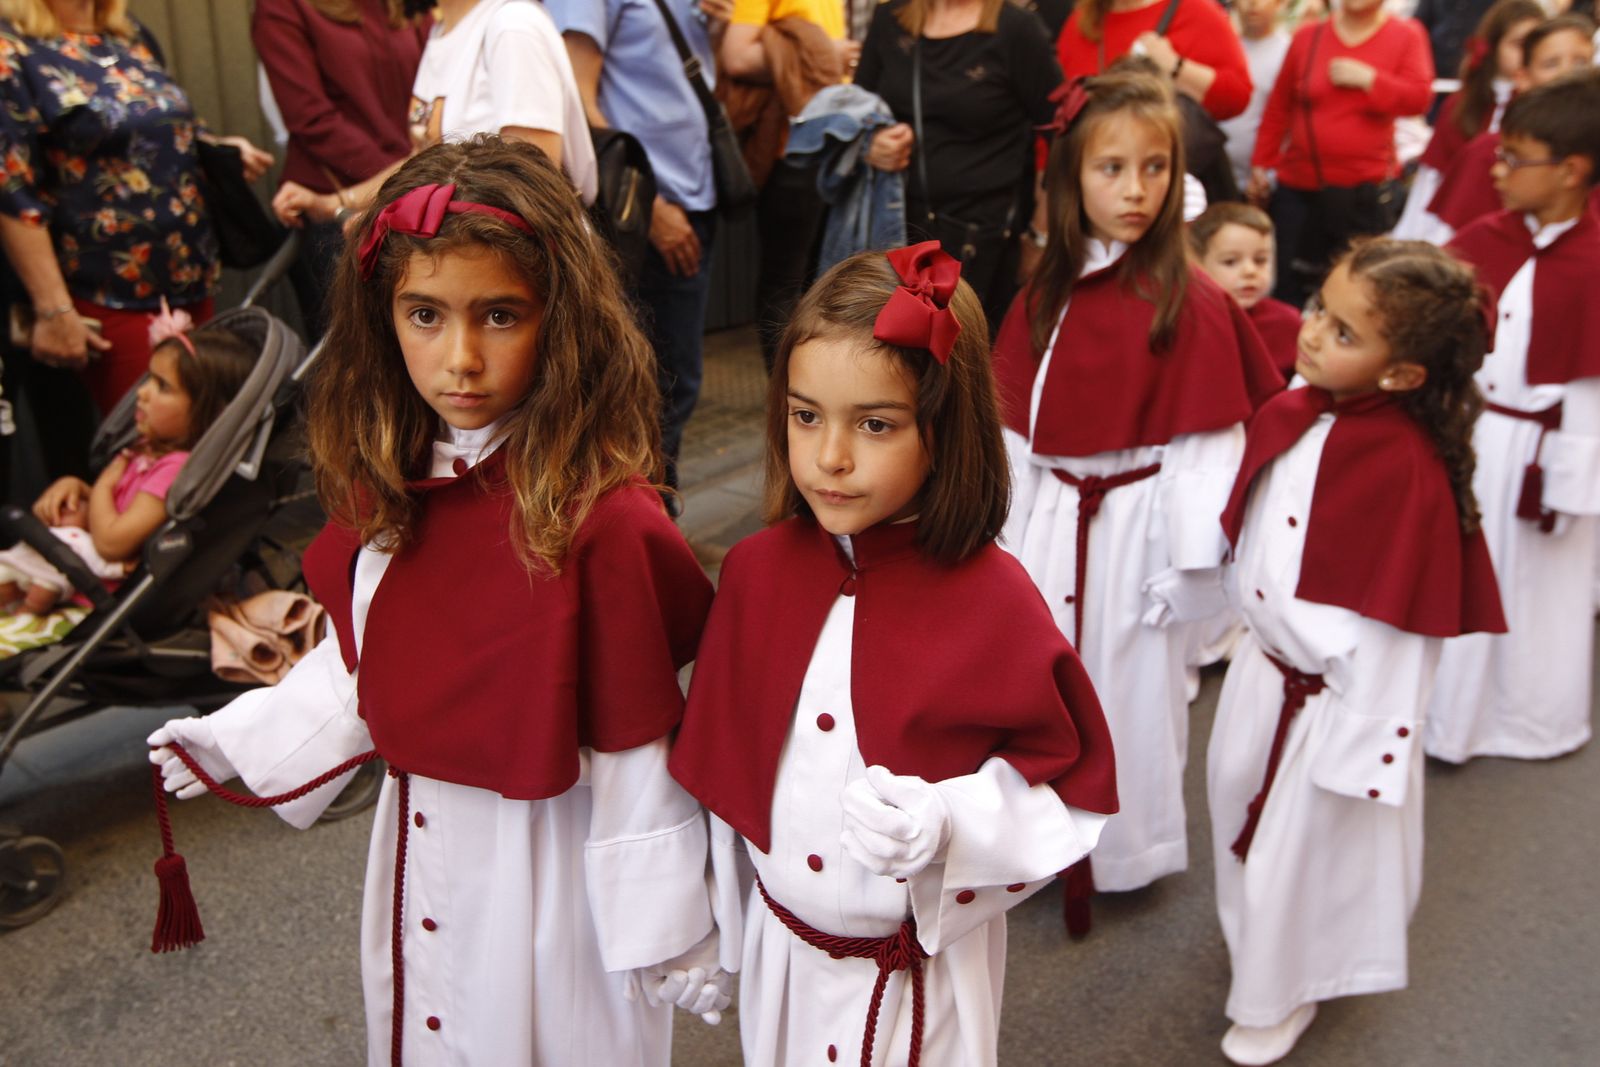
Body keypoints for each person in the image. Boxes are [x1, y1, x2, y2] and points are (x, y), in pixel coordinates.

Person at [146, 138, 727, 1066]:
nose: (459, 358)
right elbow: (366, 664)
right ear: (383, 320)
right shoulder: (392, 487)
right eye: (424, 314)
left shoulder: (603, 522)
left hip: (550, 859)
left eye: (499, 315)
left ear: (562, 320)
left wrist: (669, 923)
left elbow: (636, 741)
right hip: (421, 837)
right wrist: (240, 737)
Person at [669, 242, 1119, 1067]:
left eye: (874, 424)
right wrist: (703, 925)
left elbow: (1062, 784)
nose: (831, 457)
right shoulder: (755, 573)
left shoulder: (997, 598)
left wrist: (953, 820)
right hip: (783, 957)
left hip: (918, 981)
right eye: (806, 416)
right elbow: (727, 784)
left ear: (944, 428)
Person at [991, 69, 1282, 932]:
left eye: (1154, 168)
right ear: (1071, 176)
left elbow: (1207, 445)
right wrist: (994, 536)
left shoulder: (1190, 299)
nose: (1134, 190)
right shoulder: (1045, 286)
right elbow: (1012, 423)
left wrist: (1194, 568)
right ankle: (1033, 836)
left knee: (1131, 694)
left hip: (1136, 531)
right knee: (1034, 686)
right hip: (1050, 521)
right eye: (1111, 168)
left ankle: (1123, 849)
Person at [1209, 238, 1505, 1066]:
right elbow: (1258, 533)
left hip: (1334, 706)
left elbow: (1400, 634)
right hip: (1263, 672)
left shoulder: (1408, 472)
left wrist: (1366, 742)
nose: (1311, 333)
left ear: (1402, 374)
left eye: (1343, 332)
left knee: (1300, 858)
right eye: (1318, 310)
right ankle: (1258, 953)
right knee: (1239, 818)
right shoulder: (1295, 407)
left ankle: (1281, 991)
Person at [1426, 71, 1600, 764]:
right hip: (1476, 433)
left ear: (1571, 170)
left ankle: (1532, 720)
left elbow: (1590, 386)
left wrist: (1569, 479)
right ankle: (1451, 720)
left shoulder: (1593, 260)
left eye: (1513, 158)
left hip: (1546, 450)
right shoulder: (1486, 236)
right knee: (1467, 576)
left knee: (1538, 589)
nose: (1495, 170)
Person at [0, 0, 273, 415]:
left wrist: (216, 148)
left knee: (206, 430)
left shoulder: (129, 35)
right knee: (147, 439)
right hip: (109, 292)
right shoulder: (14, 51)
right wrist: (53, 309)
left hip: (190, 277)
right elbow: (11, 190)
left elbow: (164, 126)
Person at [554, 0, 731, 495]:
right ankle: (644, 528)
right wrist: (650, 209)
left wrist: (715, 29)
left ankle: (654, 518)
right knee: (648, 391)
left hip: (694, 196)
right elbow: (577, 102)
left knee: (673, 384)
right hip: (642, 213)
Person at [0, 305, 254, 616]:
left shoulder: (173, 470)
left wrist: (105, 481)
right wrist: (77, 488)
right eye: (148, 379)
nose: (142, 393)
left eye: (163, 386)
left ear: (207, 412)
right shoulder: (147, 452)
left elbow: (111, 543)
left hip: (100, 597)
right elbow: (121, 511)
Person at [271, 0, 597, 228]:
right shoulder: (442, 32)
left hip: (524, 280)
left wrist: (395, 217)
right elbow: (426, 159)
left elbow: (531, 184)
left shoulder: (513, 26)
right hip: (469, 268)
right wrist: (337, 202)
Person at [855, 0, 1064, 330]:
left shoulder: (1017, 29)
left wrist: (1041, 234)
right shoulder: (891, 19)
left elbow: (1063, 137)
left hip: (980, 240)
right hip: (896, 230)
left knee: (966, 362)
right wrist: (870, 146)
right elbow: (856, 113)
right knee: (898, 358)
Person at [252, 0, 430, 340]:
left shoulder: (402, 6)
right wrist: (399, 176)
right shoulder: (283, 8)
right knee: (353, 354)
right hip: (339, 205)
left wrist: (413, 175)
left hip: (412, 194)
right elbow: (310, 117)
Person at [1249, 0, 1433, 308]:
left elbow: (1418, 98)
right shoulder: (1308, 35)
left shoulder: (1406, 34)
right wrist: (1261, 163)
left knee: (1356, 291)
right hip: (1299, 188)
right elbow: (1280, 107)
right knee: (1287, 287)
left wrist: (1371, 80)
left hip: (1362, 193)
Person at [1417, 13, 1595, 243]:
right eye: (1551, 63)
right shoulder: (1487, 151)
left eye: (1581, 62)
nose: (1568, 72)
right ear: (1523, 78)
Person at [1392, 0, 1543, 242]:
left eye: (1535, 46)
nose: (1526, 56)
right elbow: (1431, 181)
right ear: (1494, 46)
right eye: (1518, 45)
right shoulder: (1462, 106)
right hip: (1454, 227)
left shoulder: (1542, 112)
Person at [1191, 202, 1302, 378]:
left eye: (1260, 260)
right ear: (1199, 266)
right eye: (1230, 262)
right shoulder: (1188, 324)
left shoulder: (1288, 322)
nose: (1250, 271)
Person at [1220, 0, 1293, 196]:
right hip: (1219, 179)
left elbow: (1285, 120)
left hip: (1268, 183)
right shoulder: (1224, 47)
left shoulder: (1289, 52)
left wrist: (1267, 172)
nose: (1252, 3)